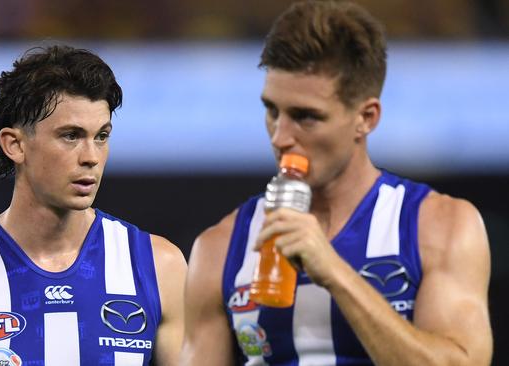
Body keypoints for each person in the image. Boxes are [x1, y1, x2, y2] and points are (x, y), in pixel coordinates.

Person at [181, 1, 493, 365]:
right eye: (272, 110)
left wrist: (334, 273)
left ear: (366, 117)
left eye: (306, 117)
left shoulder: (440, 226)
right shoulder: (219, 248)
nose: (281, 136)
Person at [0, 45, 187, 365]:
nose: (91, 157)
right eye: (70, 136)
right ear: (15, 144)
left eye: (101, 136)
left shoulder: (159, 268)